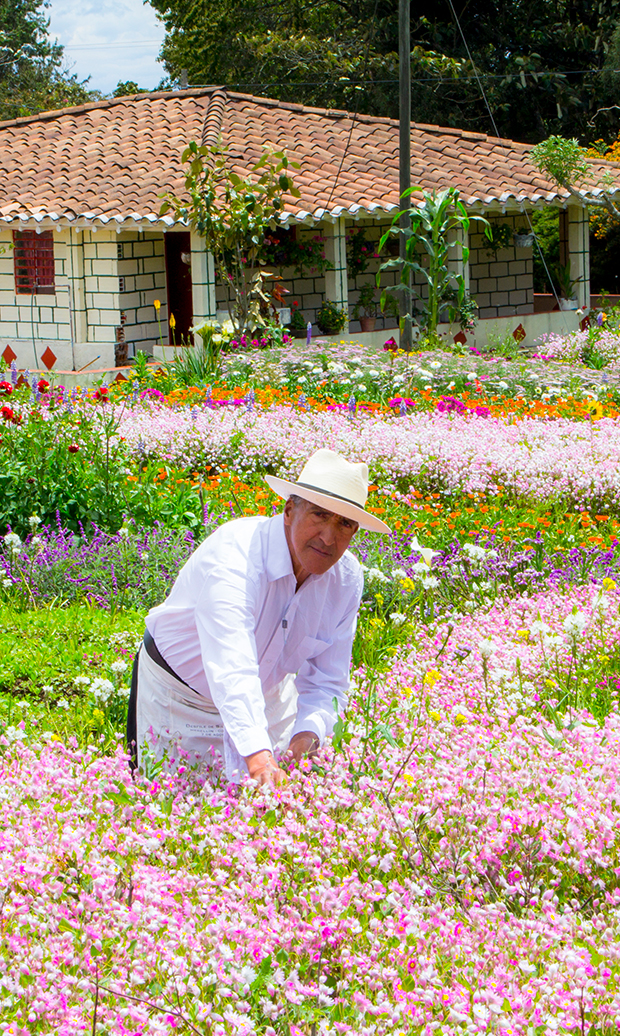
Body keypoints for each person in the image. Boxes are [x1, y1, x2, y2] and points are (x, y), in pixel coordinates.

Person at [126, 448, 389, 785]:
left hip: (266, 698)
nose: (328, 537)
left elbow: (327, 679)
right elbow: (232, 666)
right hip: (181, 698)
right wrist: (259, 758)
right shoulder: (235, 555)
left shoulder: (346, 579)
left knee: (263, 814)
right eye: (320, 515)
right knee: (173, 808)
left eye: (345, 524)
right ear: (289, 510)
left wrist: (306, 739)